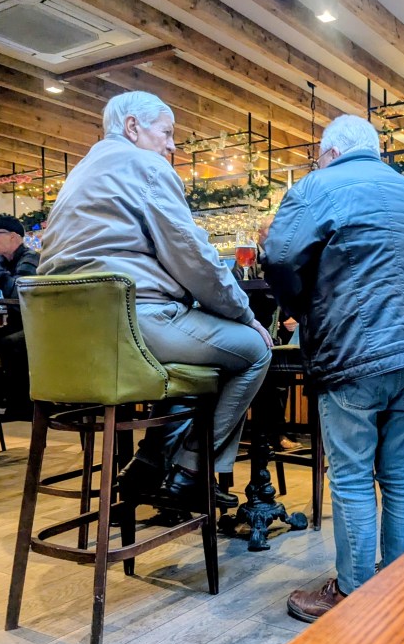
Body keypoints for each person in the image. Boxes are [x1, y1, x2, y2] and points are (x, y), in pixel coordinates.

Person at [38, 91, 273, 512]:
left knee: (197, 364)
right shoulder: (145, 166)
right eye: (166, 133)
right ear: (133, 127)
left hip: (70, 343)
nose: (172, 145)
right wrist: (243, 313)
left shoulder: (79, 173)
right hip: (131, 327)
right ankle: (191, 473)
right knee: (254, 350)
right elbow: (195, 258)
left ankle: (147, 465)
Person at [261, 114, 404, 622]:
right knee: (399, 475)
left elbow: (279, 257)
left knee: (353, 477)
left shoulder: (316, 186)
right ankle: (401, 585)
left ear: (331, 153)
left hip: (352, 347)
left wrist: (300, 307)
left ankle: (353, 593)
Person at [0, 214, 39, 419]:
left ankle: (21, 405)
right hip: (14, 323)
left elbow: (20, 295)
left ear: (13, 236)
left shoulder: (31, 258)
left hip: (36, 325)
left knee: (9, 343)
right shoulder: (2, 262)